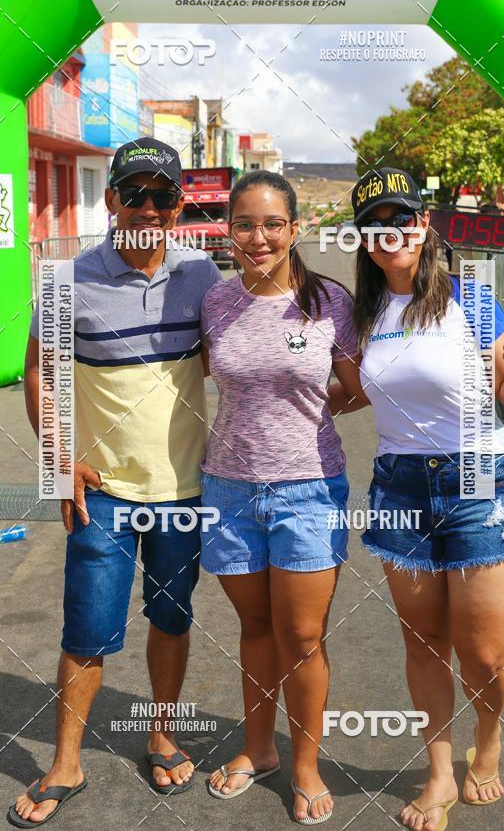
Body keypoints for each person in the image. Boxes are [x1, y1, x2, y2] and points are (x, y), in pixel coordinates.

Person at [9, 138, 222, 827]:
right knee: (87, 629)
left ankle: (161, 733)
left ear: (180, 203)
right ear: (112, 200)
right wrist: (57, 461)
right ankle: (65, 762)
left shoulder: (202, 277)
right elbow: (39, 371)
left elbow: (239, 364)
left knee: (171, 618)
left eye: (164, 195)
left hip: (184, 490)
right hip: (100, 492)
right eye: (136, 193)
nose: (150, 207)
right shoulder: (68, 280)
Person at [329, 167, 504, 831]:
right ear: (363, 239)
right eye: (376, 224)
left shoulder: (472, 298)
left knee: (482, 652)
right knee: (423, 643)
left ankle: (492, 735)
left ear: (424, 226)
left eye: (403, 219)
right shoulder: (364, 312)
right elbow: (352, 393)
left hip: (480, 478)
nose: (391, 232)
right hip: (398, 485)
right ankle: (440, 772)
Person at [199, 170, 364, 824]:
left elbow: (356, 386)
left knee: (301, 634)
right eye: (245, 224)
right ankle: (259, 749)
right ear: (230, 231)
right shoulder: (214, 302)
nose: (258, 236)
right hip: (229, 489)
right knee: (256, 627)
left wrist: (313, 417)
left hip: (309, 489)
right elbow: (206, 376)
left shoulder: (330, 301)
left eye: (273, 223)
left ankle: (304, 765)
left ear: (295, 228)